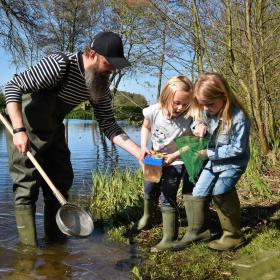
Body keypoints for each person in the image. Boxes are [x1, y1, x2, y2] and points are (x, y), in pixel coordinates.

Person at [4, 31, 141, 246]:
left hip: (54, 128)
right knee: (26, 187)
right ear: (93, 54)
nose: (113, 70)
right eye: (109, 63)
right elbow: (13, 87)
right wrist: (19, 130)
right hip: (25, 125)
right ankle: (28, 254)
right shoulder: (60, 64)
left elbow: (109, 125)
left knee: (61, 180)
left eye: (116, 65)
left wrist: (140, 153)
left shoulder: (100, 87)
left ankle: (55, 243)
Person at [173, 72, 251, 251]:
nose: (206, 108)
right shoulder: (208, 110)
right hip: (214, 161)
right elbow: (198, 119)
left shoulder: (239, 119)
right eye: (203, 104)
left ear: (223, 96)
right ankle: (199, 231)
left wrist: (209, 153)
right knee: (198, 191)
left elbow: (237, 149)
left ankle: (233, 236)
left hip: (233, 163)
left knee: (220, 191)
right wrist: (198, 126)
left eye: (210, 104)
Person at [135, 76, 195, 252]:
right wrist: (143, 147)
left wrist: (175, 155)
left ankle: (169, 238)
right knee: (149, 188)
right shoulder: (153, 111)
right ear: (165, 98)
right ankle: (147, 216)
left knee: (167, 195)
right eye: (177, 103)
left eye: (185, 104)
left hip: (176, 159)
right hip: (154, 156)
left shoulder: (189, 117)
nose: (180, 108)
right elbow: (145, 127)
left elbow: (191, 143)